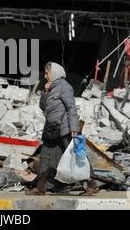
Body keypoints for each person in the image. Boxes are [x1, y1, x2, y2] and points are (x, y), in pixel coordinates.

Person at [26, 62, 99, 196]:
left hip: (65, 128)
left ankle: (92, 184)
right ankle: (41, 187)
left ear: (53, 73)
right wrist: (45, 92)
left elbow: (71, 108)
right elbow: (43, 107)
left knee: (77, 156)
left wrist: (74, 128)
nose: (45, 75)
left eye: (47, 73)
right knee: (45, 158)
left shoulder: (65, 87)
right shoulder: (50, 87)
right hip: (51, 129)